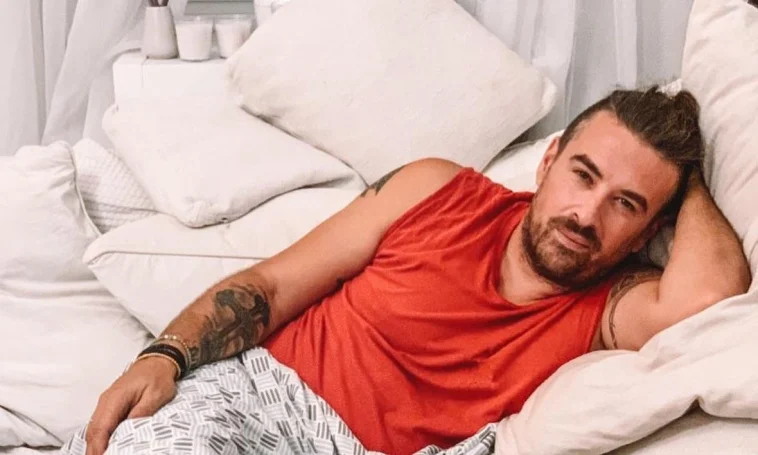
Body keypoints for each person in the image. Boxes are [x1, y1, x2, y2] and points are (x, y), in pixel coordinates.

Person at [84, 87, 751, 455]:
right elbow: (273, 285)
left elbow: (707, 297)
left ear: (649, 231)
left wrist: (686, 178)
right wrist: (166, 354)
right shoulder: (437, 189)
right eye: (584, 174)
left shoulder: (613, 305)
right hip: (258, 399)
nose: (586, 213)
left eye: (625, 204)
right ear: (549, 161)